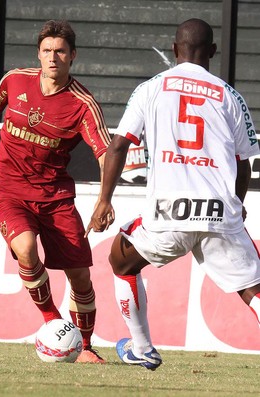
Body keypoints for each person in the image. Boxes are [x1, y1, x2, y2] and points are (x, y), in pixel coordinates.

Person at [86, 18, 260, 370]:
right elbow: (243, 164)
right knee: (253, 292)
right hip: (219, 213)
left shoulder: (150, 89)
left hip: (170, 216)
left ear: (173, 48)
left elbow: (119, 145)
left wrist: (104, 200)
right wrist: (237, 205)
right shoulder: (231, 96)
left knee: (121, 261)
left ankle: (142, 348)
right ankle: (141, 349)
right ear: (212, 51)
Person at [0, 19, 111, 363]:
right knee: (26, 248)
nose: (52, 57)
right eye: (46, 51)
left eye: (60, 51)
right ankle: (53, 323)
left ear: (73, 56)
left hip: (55, 197)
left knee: (80, 277)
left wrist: (105, 199)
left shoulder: (82, 104)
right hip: (8, 189)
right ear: (38, 54)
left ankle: (85, 346)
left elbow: (105, 152)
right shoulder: (15, 80)